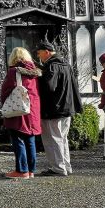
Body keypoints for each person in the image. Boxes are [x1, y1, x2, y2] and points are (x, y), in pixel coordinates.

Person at [36, 40, 83, 177]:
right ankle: (66, 166)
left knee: (53, 139)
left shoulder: (52, 66)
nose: (39, 56)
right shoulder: (65, 64)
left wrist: (38, 77)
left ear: (47, 52)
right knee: (62, 138)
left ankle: (58, 168)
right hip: (66, 107)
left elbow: (49, 87)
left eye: (39, 53)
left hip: (53, 109)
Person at [0, 47, 42, 179]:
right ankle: (31, 170)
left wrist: (4, 102)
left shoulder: (14, 71)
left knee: (18, 139)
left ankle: (22, 170)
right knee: (30, 140)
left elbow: (6, 90)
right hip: (32, 109)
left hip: (18, 109)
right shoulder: (35, 73)